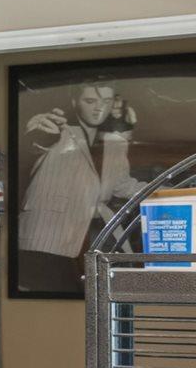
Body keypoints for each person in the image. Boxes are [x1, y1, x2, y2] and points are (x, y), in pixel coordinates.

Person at [18, 81, 139, 283]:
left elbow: (123, 185)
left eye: (106, 101)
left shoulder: (116, 143)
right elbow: (35, 145)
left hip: (90, 239)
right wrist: (40, 134)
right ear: (75, 102)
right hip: (44, 238)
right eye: (90, 100)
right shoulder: (55, 128)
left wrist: (169, 191)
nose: (99, 107)